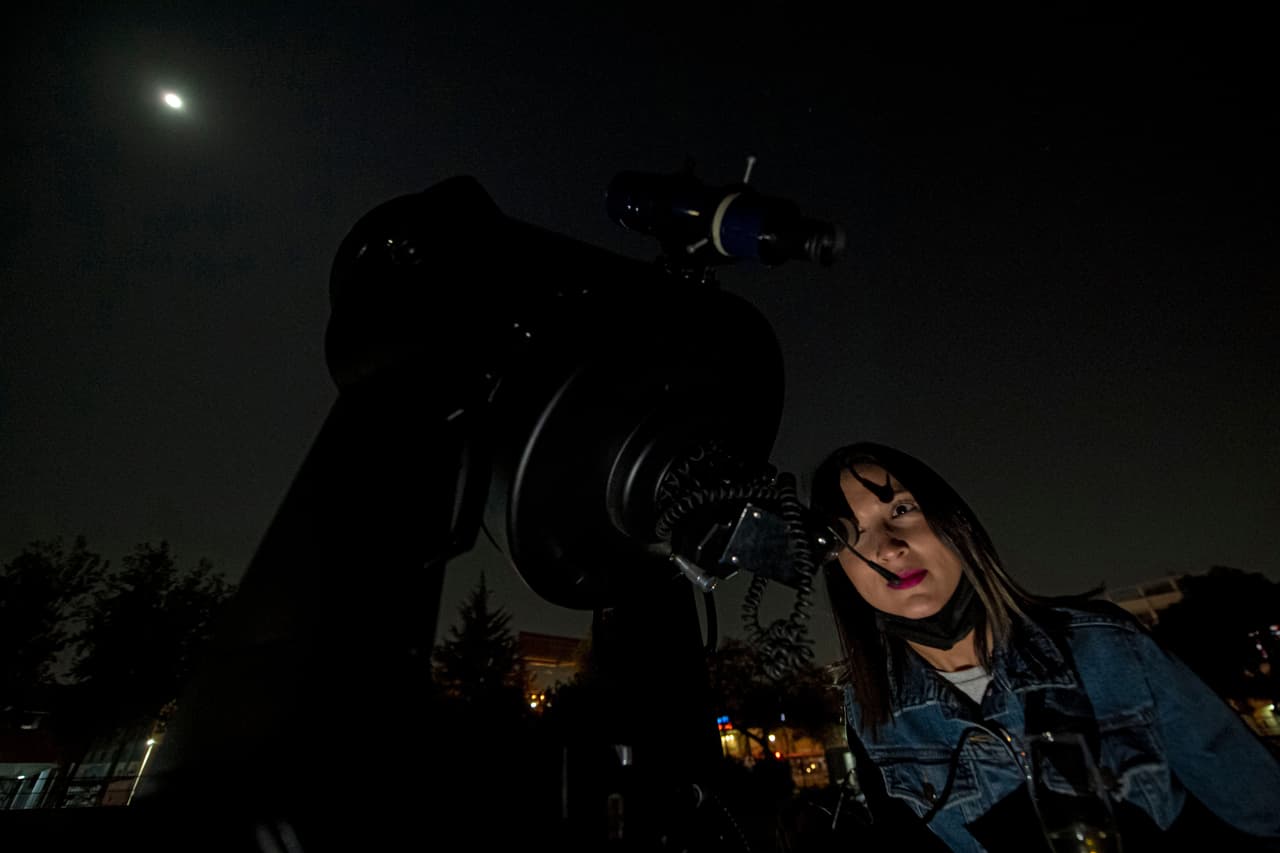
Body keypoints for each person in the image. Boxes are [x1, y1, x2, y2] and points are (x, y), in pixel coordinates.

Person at [808, 442, 1280, 852]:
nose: (888, 548)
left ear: (953, 520)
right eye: (851, 537)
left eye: (901, 510)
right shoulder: (872, 714)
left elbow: (1260, 810)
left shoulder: (1109, 649)